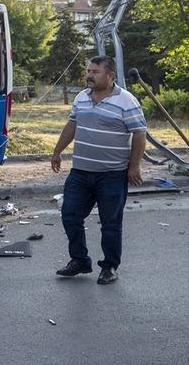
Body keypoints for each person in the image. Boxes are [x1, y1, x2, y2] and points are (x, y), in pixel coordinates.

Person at [51, 56, 146, 285]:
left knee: (110, 223)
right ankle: (80, 261)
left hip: (112, 175)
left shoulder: (126, 100)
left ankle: (110, 267)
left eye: (95, 72)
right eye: (88, 71)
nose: (89, 75)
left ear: (110, 75)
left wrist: (134, 166)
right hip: (80, 172)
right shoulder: (81, 97)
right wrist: (57, 151)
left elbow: (139, 134)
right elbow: (72, 124)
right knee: (70, 215)